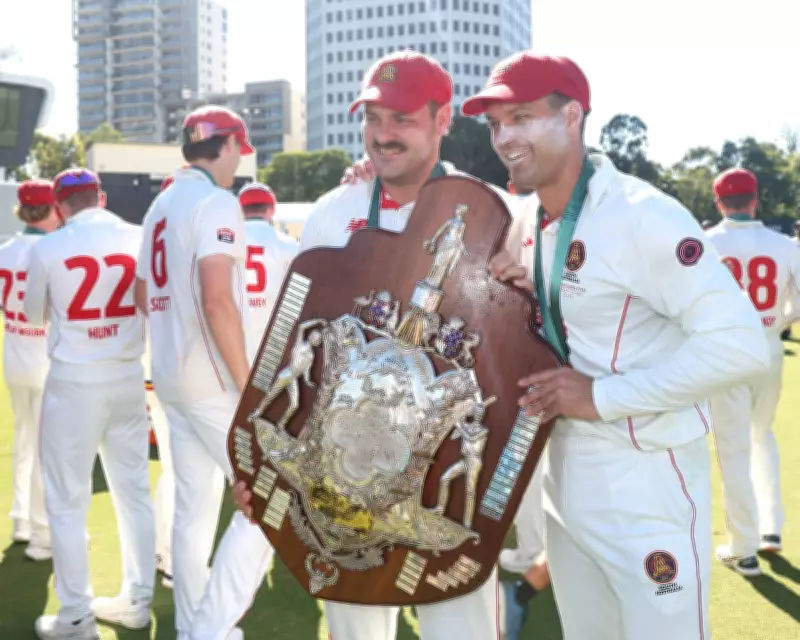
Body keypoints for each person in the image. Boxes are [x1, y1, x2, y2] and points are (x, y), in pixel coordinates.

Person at [463, 52, 769, 639]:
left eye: (522, 117)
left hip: (646, 477)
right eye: (496, 124)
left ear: (572, 116)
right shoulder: (526, 221)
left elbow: (739, 345)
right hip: (562, 474)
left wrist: (603, 396)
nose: (504, 138)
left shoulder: (643, 215)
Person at [233, 50, 510, 640]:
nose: (383, 135)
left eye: (402, 119)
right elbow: (294, 339)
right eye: (373, 118)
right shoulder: (334, 212)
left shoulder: (495, 214)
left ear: (442, 120)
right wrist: (257, 461)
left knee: (459, 627)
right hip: (336, 482)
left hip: (430, 479)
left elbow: (513, 361)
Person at [134, 105, 269, 640]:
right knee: (270, 496)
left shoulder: (160, 204)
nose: (239, 160)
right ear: (228, 144)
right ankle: (206, 630)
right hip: (211, 379)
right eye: (239, 149)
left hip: (169, 375)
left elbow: (143, 294)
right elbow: (217, 302)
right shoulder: (217, 202)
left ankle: (193, 625)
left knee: (193, 510)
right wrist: (248, 385)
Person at [24, 168, 155, 639]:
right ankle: (137, 600)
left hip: (75, 381)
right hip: (126, 375)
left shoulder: (48, 246)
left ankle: (76, 615)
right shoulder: (138, 236)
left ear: (59, 206)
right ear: (100, 197)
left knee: (66, 501)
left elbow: (33, 314)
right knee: (134, 493)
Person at [704, 168, 799, 572]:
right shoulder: (785, 244)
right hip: (768, 348)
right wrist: (777, 321)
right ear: (755, 200)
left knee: (733, 447)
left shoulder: (705, 243)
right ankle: (769, 529)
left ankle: (743, 547)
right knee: (762, 436)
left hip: (727, 352)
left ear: (718, 202)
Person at [0, 179, 60, 561]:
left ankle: (20, 519)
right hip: (46, 359)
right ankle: (41, 533)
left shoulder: (4, 251)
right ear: (51, 208)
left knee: (24, 441)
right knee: (43, 448)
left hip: (14, 355)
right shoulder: (54, 250)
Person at [238, 182, 299, 346]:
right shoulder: (288, 244)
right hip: (274, 331)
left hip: (236, 330)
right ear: (272, 209)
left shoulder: (226, 242)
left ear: (240, 210)